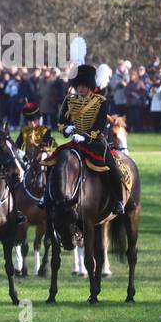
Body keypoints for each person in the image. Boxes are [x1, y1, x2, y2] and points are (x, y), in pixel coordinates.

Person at [57, 63, 126, 216]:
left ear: (90, 86)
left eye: (84, 86)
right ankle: (48, 197)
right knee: (53, 161)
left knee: (112, 168)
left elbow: (100, 125)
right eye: (78, 86)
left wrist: (85, 136)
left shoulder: (101, 101)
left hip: (95, 142)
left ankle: (118, 200)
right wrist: (66, 129)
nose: (80, 89)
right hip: (74, 141)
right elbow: (61, 122)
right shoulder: (69, 101)